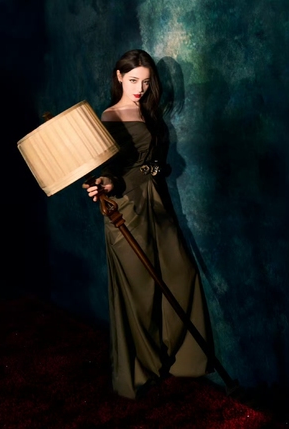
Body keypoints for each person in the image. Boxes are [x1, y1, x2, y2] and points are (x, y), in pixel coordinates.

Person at [82, 49, 214, 399]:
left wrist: (158, 167)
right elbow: (111, 168)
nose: (140, 88)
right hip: (127, 207)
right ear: (118, 77)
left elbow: (153, 160)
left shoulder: (148, 111)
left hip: (157, 202)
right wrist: (105, 184)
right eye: (133, 80)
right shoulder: (110, 116)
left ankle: (179, 360)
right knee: (140, 291)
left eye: (145, 81)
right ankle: (141, 370)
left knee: (180, 273)